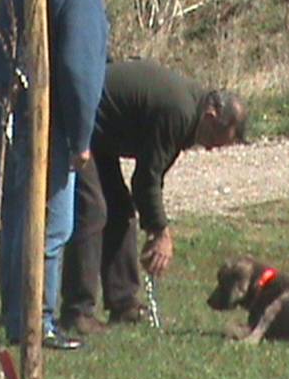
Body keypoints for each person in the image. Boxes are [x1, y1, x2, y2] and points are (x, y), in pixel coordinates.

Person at [0, 0, 128, 350]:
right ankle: (38, 320)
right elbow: (80, 73)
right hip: (46, 121)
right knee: (51, 224)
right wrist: (81, 140)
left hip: (2, 102)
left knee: (17, 217)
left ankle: (14, 317)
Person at [59, 59, 248, 334]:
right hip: (78, 121)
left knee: (120, 210)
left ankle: (124, 304)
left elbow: (148, 178)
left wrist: (155, 227)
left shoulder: (189, 111)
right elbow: (146, 179)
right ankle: (77, 312)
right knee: (93, 210)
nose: (210, 150)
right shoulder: (180, 113)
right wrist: (160, 232)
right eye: (215, 141)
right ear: (211, 116)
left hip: (101, 134)